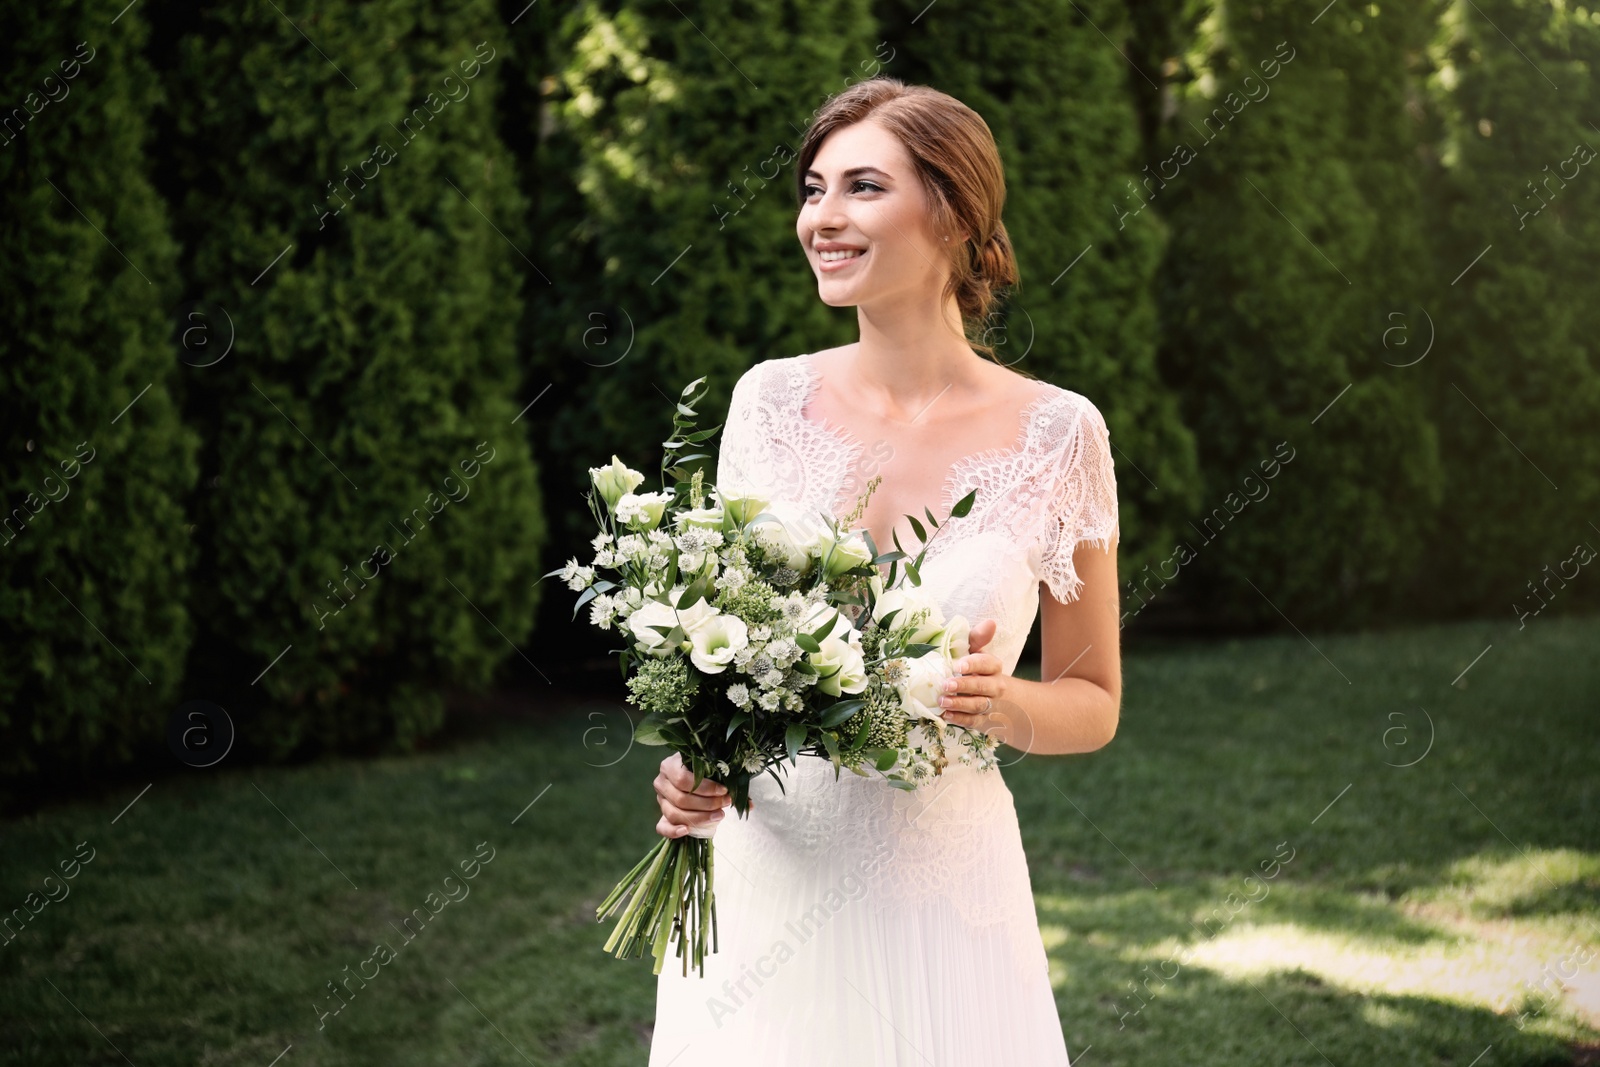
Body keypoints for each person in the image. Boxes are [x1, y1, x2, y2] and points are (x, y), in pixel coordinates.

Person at [647, 76, 1121, 1065]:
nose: (821, 216)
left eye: (862, 186)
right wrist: (698, 760)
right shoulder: (765, 402)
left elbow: (1094, 697)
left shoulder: (1059, 432)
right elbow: (721, 651)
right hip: (765, 885)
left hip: (941, 891)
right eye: (813, 188)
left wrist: (1007, 704)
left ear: (950, 211)